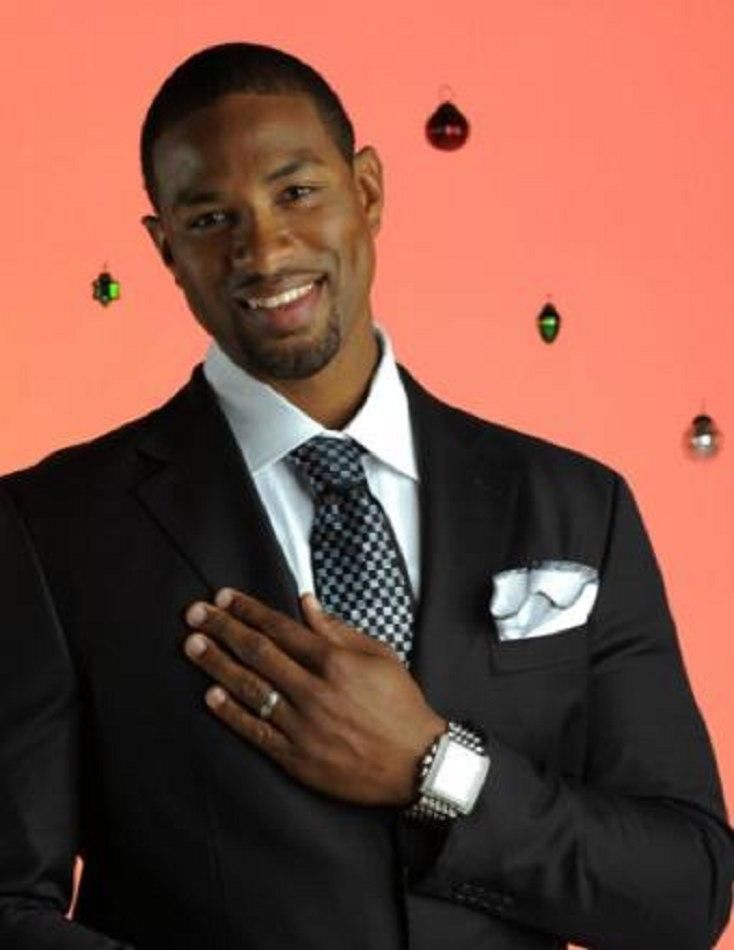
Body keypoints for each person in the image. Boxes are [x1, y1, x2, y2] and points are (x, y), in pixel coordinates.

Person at [0, 41, 731, 950]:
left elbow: (684, 890)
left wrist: (434, 766)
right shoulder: (49, 531)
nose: (264, 250)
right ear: (166, 249)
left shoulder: (579, 508)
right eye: (211, 217)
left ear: (369, 191)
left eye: (297, 192)